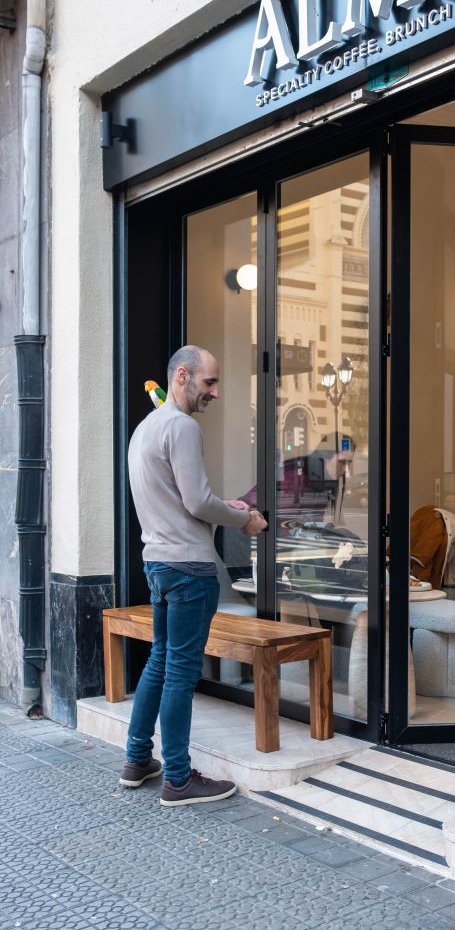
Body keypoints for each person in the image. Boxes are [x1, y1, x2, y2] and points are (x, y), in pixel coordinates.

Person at [119, 345, 267, 806]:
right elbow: (198, 504)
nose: (216, 392)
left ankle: (137, 759)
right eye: (209, 383)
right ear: (182, 377)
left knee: (160, 663)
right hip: (188, 568)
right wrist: (244, 519)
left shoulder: (145, 428)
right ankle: (179, 779)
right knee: (181, 674)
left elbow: (184, 497)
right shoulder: (182, 428)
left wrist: (224, 504)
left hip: (158, 563)